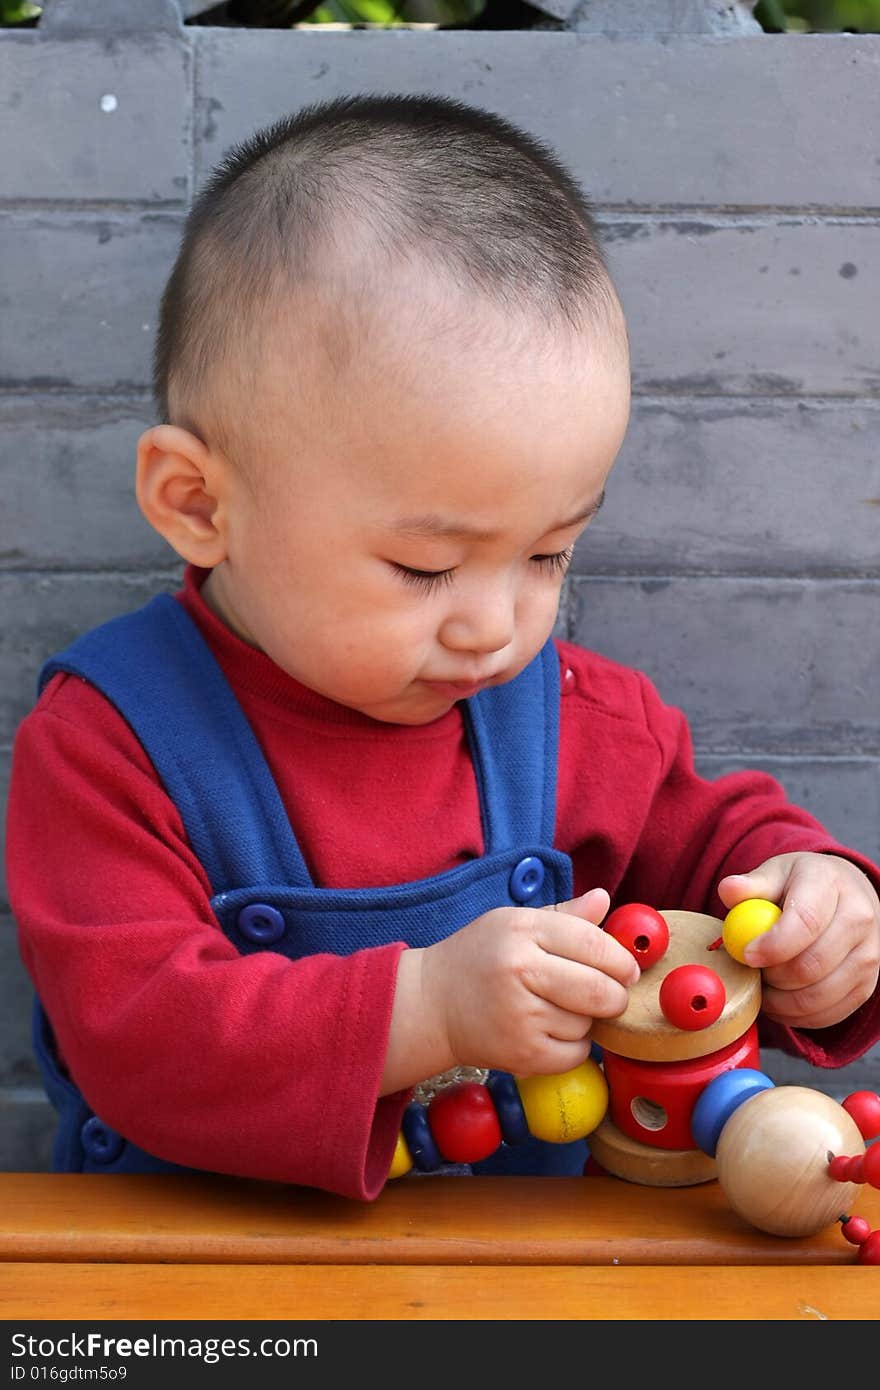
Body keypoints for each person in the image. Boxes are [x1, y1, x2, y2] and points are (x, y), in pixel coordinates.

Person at [6, 94, 880, 1199]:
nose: (495, 625)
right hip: (196, 1269)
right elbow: (135, 1037)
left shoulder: (570, 717)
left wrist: (814, 912)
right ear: (197, 503)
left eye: (549, 554)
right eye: (425, 567)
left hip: (530, 1276)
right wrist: (424, 1011)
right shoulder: (108, 744)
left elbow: (715, 846)